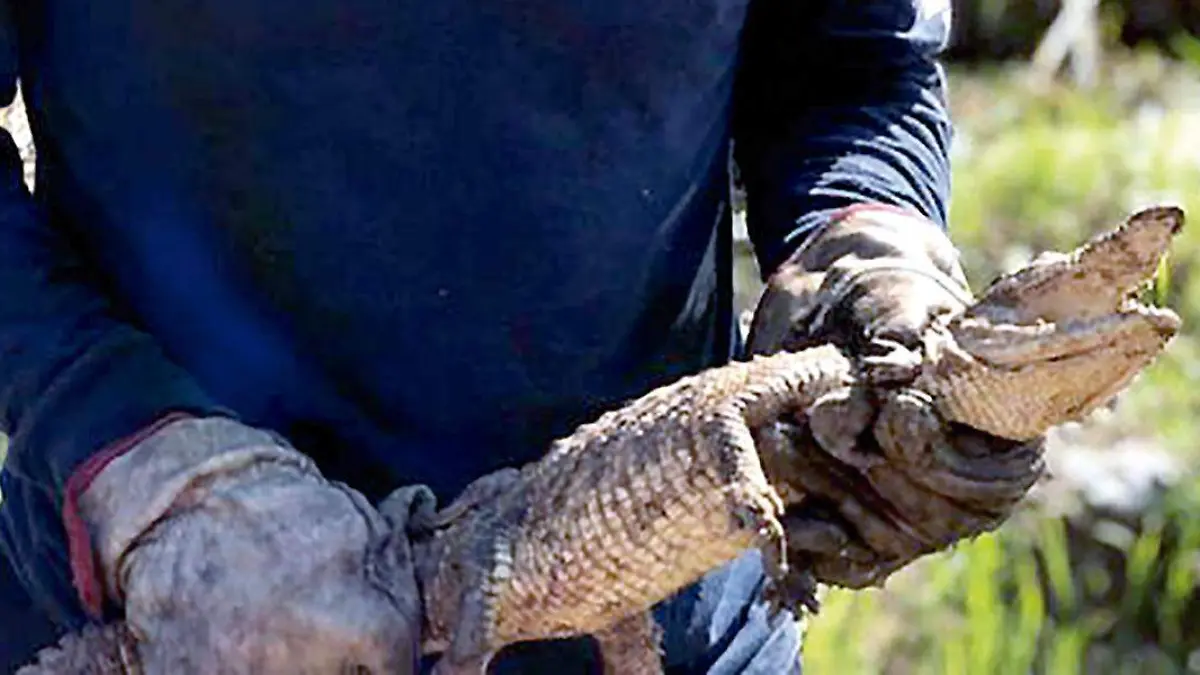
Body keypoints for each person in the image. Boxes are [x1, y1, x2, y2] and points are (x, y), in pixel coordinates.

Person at [0, 0, 1041, 672]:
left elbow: (848, 60)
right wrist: (138, 459)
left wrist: (863, 245)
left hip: (659, 621)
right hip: (164, 618)